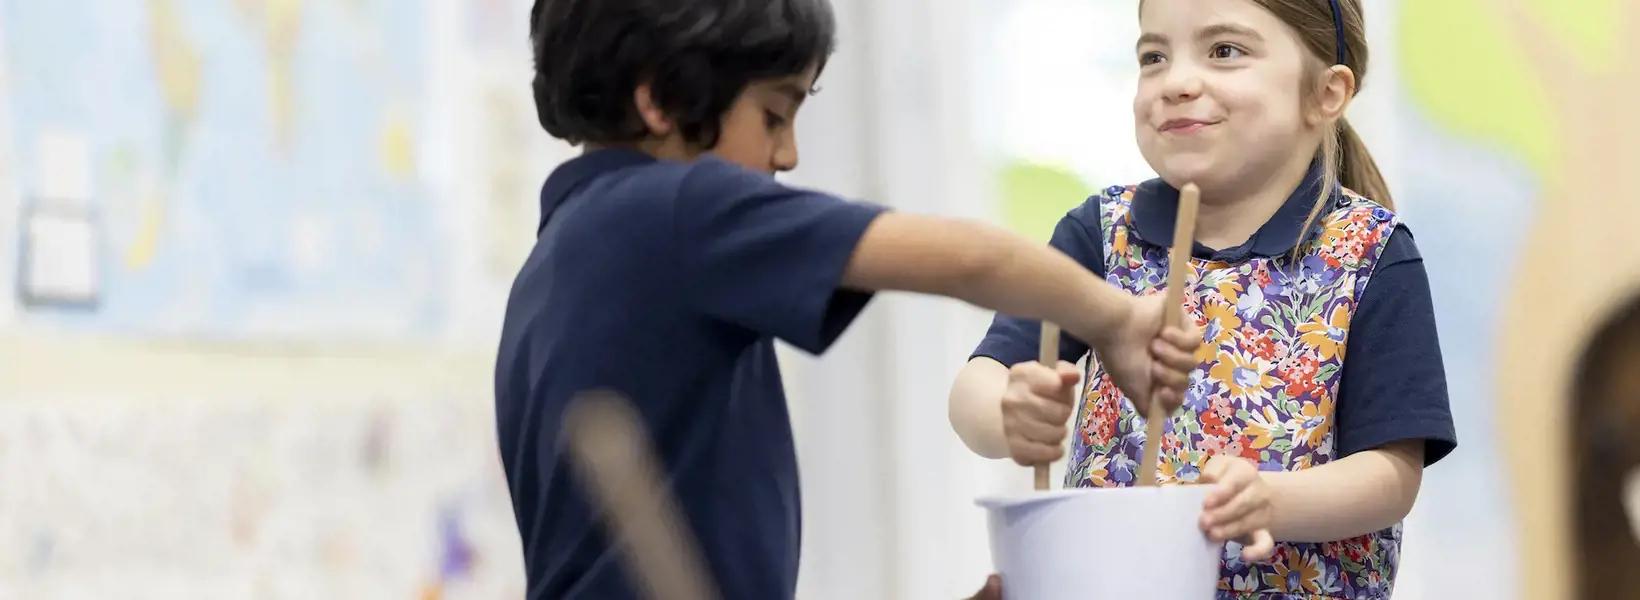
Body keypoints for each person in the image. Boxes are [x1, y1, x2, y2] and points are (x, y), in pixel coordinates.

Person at [497, 0, 1203, 598]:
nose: (789, 155)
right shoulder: (672, 211)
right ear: (660, 100)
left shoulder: (554, 266)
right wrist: (1113, 318)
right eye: (776, 115)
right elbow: (971, 259)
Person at [947, 0, 1458, 597]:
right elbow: (975, 388)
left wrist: (1271, 499)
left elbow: (1393, 474)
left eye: (1224, 51)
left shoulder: (1372, 254)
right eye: (1154, 56)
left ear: (1326, 93)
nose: (1177, 82)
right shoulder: (1102, 235)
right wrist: (1006, 414)